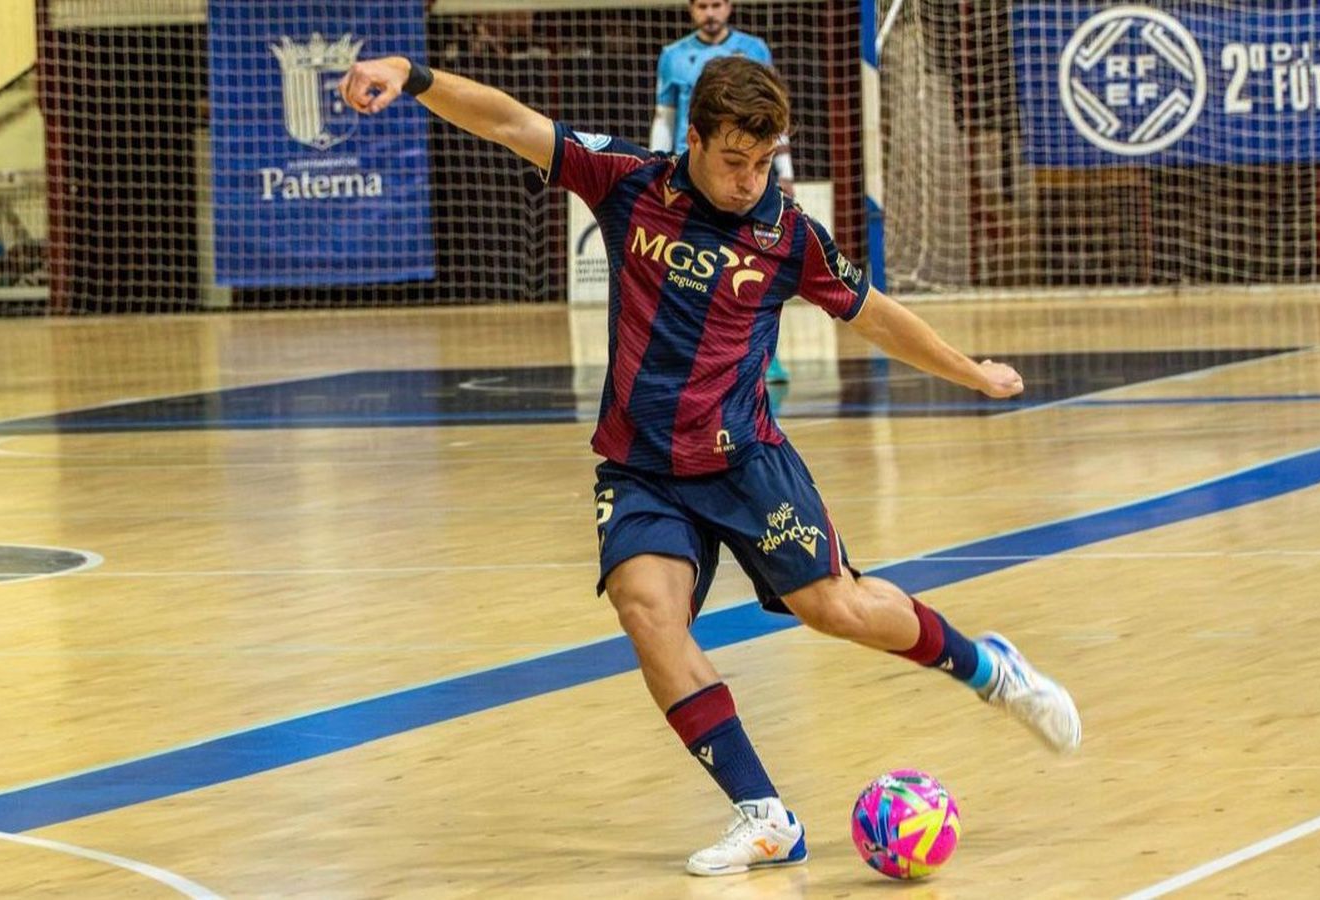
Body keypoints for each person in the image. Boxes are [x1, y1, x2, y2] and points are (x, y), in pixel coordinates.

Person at [340, 54, 1081, 878]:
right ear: (692, 139)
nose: (748, 179)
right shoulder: (627, 181)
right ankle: (765, 815)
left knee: (836, 609)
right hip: (641, 468)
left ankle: (989, 670)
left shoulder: (788, 234)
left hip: (745, 462)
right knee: (647, 610)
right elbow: (511, 122)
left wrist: (971, 370)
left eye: (764, 162)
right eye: (734, 160)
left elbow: (873, 315)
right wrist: (412, 75)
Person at [651, 0, 794, 384]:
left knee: (758, 269)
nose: (710, 13)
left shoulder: (754, 50)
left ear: (729, 7)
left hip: (744, 171)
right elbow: (664, 119)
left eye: (717, 4)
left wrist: (784, 169)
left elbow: (774, 118)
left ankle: (766, 357)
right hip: (692, 174)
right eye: (702, 6)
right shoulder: (673, 56)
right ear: (691, 9)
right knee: (693, 272)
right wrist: (657, 163)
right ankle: (692, 358)